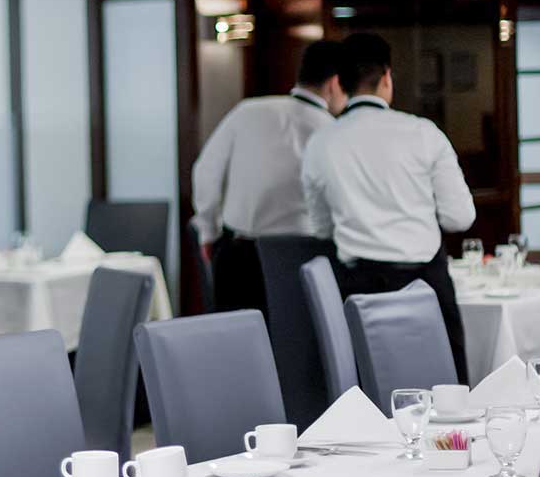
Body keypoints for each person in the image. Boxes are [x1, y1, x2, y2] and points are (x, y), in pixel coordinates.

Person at [302, 32, 476, 381]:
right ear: (386, 78)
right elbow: (461, 217)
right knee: (445, 392)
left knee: (372, 393)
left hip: (357, 286)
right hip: (424, 283)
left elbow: (320, 228)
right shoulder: (423, 133)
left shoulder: (321, 143)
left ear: (340, 83)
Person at [191, 39, 347, 312]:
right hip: (305, 259)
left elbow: (205, 171)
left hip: (238, 257)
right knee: (296, 347)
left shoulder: (247, 111)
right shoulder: (333, 131)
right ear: (334, 84)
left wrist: (208, 230)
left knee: (237, 345)